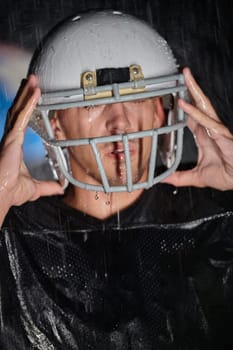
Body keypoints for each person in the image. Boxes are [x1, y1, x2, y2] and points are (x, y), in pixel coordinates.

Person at [0, 10, 233, 350]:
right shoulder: (12, 231)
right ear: (55, 123)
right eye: (90, 103)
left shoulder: (217, 218)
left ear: (160, 110)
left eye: (136, 98)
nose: (120, 123)